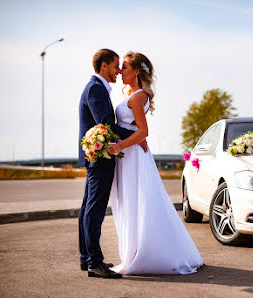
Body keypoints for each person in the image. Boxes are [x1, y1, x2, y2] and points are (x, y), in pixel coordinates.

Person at [108, 52, 203, 275]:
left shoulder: (137, 97)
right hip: (130, 156)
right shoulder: (134, 94)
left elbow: (143, 131)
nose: (120, 71)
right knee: (133, 202)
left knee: (137, 202)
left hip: (132, 157)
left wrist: (120, 146)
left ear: (137, 72)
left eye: (124, 67)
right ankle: (133, 251)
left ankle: (143, 254)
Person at [78, 49, 148, 279]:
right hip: (100, 157)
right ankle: (94, 262)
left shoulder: (98, 88)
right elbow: (106, 124)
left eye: (122, 66)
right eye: (116, 65)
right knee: (94, 209)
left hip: (98, 156)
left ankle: (87, 258)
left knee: (89, 206)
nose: (118, 70)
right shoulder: (96, 89)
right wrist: (137, 135)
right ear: (104, 65)